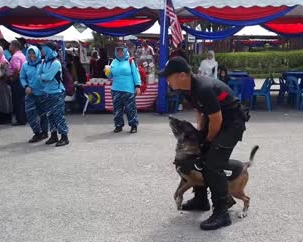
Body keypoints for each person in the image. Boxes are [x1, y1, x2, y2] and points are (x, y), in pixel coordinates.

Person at [159, 57, 249, 230]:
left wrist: (208, 141)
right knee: (197, 155)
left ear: (182, 75)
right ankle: (201, 200)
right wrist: (201, 137)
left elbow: (217, 119)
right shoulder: (187, 88)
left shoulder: (203, 88)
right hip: (217, 120)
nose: (166, 80)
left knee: (212, 163)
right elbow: (201, 112)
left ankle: (222, 213)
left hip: (232, 123)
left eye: (168, 76)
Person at [39, 42, 69, 147]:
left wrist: (43, 76)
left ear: (49, 50)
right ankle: (53, 135)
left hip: (57, 92)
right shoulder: (44, 62)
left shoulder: (56, 63)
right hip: (47, 92)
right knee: (49, 115)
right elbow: (40, 75)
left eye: (43, 48)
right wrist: (43, 76)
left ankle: (64, 137)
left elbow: (48, 77)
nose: (41, 50)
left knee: (58, 115)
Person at [106, 47, 141, 134]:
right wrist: (107, 72)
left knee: (130, 109)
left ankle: (133, 125)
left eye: (122, 51)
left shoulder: (130, 61)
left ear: (125, 51)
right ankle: (118, 125)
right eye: (118, 51)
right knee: (117, 109)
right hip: (116, 89)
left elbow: (135, 74)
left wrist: (137, 86)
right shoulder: (113, 62)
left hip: (128, 89)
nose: (120, 53)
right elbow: (110, 76)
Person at [20, 45, 49, 143]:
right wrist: (26, 86)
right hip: (30, 93)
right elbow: (22, 77)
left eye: (33, 53)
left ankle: (44, 132)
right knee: (29, 113)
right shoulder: (25, 65)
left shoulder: (43, 63)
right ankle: (37, 133)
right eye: (29, 53)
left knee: (43, 114)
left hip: (42, 93)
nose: (32, 55)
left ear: (38, 54)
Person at [0, 45, 12, 124]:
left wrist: (1, 76)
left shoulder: (4, 61)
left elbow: (8, 73)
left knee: (5, 101)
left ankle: (6, 118)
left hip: (3, 84)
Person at [9, 40, 27, 126]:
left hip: (17, 80)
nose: (9, 47)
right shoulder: (22, 55)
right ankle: (23, 118)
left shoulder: (15, 56)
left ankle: (20, 119)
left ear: (14, 46)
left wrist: (13, 78)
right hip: (22, 79)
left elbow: (16, 69)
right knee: (22, 100)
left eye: (10, 45)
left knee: (17, 100)